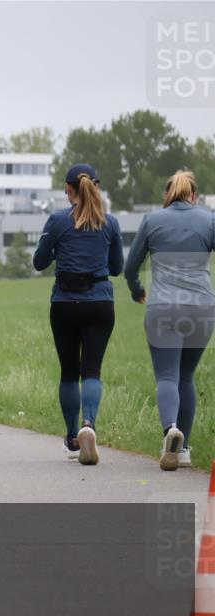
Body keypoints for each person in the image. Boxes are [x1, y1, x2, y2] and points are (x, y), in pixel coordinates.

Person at [33, 163, 123, 465]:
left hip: (65, 305)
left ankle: (73, 438)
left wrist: (58, 248)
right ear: (95, 188)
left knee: (70, 372)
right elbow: (117, 268)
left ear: (68, 189)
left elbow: (39, 262)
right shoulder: (110, 223)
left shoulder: (57, 221)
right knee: (92, 371)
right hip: (99, 304)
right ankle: (89, 425)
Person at [124, 170, 214, 471]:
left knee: (167, 376)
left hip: (163, 308)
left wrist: (138, 291)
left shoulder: (152, 221)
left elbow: (130, 267)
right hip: (201, 309)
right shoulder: (208, 220)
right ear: (194, 195)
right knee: (186, 377)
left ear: (167, 195)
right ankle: (184, 448)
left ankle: (170, 430)